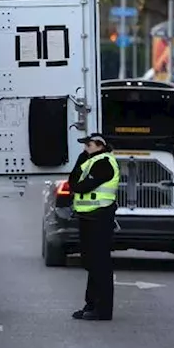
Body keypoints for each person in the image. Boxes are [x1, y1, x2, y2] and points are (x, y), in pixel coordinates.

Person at [68, 133, 120, 321]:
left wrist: (77, 181)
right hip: (87, 216)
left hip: (100, 216)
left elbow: (81, 186)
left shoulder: (104, 163)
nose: (85, 149)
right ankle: (91, 304)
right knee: (91, 263)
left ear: (100, 145)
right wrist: (82, 160)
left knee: (100, 264)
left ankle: (103, 308)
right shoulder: (90, 160)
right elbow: (73, 182)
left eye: (88, 145)